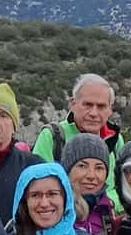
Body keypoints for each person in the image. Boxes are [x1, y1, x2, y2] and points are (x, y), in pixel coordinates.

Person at [31, 74, 126, 208]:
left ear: (110, 109)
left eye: (101, 106)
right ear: (72, 104)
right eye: (87, 105)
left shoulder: (115, 139)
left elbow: (125, 187)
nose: (93, 113)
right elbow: (37, 185)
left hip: (106, 216)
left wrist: (108, 203)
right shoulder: (53, 136)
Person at [60, 133, 120, 235]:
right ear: (67, 170)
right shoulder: (53, 211)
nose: (91, 175)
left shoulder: (106, 212)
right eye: (82, 166)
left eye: (99, 168)